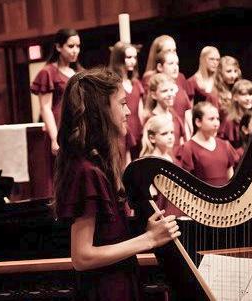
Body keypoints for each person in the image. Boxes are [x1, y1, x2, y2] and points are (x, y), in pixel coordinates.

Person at [53, 67, 180, 301]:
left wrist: (143, 228)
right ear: (101, 110)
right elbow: (82, 257)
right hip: (106, 291)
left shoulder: (96, 164)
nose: (129, 110)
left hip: (118, 284)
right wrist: (148, 239)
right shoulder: (86, 171)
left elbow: (108, 234)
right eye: (122, 103)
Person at [30, 28, 82, 196]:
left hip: (77, 130)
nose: (75, 50)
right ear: (59, 47)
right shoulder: (48, 72)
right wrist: (54, 138)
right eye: (71, 46)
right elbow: (45, 107)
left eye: (78, 46)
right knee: (60, 176)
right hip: (59, 130)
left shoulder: (78, 72)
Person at [177, 101, 238, 186]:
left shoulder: (225, 145)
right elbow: (186, 182)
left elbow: (230, 178)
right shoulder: (188, 148)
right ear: (198, 122)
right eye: (211, 119)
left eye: (218, 119)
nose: (216, 123)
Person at [140, 115, 184, 217]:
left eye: (172, 132)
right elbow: (149, 198)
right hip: (161, 215)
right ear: (152, 138)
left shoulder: (174, 159)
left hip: (178, 213)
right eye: (164, 133)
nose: (170, 137)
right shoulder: (149, 162)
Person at [109, 41, 144, 161]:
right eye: (128, 57)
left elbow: (140, 111)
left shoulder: (136, 83)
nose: (133, 61)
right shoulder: (114, 84)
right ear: (119, 58)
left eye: (134, 57)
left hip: (138, 132)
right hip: (122, 132)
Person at [143, 73, 186, 154]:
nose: (170, 94)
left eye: (171, 90)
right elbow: (149, 149)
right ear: (154, 95)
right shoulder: (151, 120)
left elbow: (181, 142)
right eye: (164, 91)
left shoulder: (174, 115)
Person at [218, 79, 252, 149]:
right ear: (235, 97)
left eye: (250, 94)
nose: (248, 98)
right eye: (244, 95)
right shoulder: (229, 121)